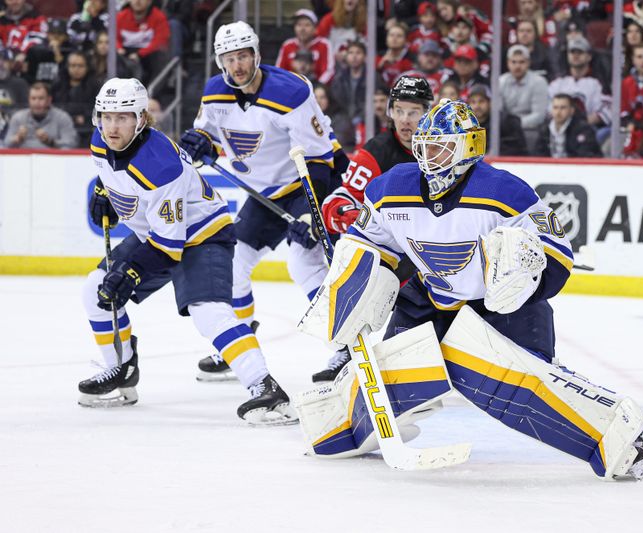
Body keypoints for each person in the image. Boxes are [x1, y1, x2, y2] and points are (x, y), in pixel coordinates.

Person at [297, 99, 643, 480]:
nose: (428, 158)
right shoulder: (391, 188)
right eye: (423, 147)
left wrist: (524, 273)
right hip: (430, 301)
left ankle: (618, 437)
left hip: (502, 309)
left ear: (467, 148)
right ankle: (340, 428)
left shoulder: (505, 192)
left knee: (521, 385)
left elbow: (558, 253)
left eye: (440, 148)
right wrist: (353, 285)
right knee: (391, 375)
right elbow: (369, 241)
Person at [79, 77, 296, 425]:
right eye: (106, 117)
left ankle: (265, 389)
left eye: (122, 118)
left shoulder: (160, 166)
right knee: (95, 288)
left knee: (208, 312)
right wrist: (104, 193)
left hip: (203, 234)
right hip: (156, 234)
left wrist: (132, 271)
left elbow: (169, 246)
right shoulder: (100, 142)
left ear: (141, 119)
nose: (111, 126)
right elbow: (113, 177)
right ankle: (119, 369)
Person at [177, 22, 344, 383]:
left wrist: (313, 213)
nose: (237, 65)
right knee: (234, 262)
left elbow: (318, 159)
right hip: (264, 194)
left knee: (304, 264)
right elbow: (208, 132)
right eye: (229, 58)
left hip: (305, 184)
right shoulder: (214, 92)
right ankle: (241, 342)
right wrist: (200, 141)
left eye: (243, 56)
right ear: (220, 61)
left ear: (257, 55)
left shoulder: (290, 91)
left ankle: (344, 347)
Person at [316, 75, 434, 381]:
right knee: (369, 276)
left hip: (436, 249)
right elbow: (340, 199)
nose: (406, 120)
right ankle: (350, 345)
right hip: (396, 252)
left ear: (428, 113)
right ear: (390, 112)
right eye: (400, 111)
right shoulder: (377, 151)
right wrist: (341, 211)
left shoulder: (442, 147)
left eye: (415, 112)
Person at [498, 44, 547, 152]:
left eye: (522, 62)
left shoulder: (539, 82)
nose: (517, 66)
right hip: (507, 130)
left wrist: (515, 125)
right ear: (508, 63)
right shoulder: (501, 81)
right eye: (514, 62)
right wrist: (509, 126)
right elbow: (499, 111)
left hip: (530, 130)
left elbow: (539, 116)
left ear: (528, 63)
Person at [4, 81, 78, 148]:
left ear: (49, 100)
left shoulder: (62, 117)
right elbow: (5, 145)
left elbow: (71, 144)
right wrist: (17, 138)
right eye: (33, 98)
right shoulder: (18, 117)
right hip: (24, 161)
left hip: (53, 160)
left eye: (41, 98)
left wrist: (50, 142)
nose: (37, 102)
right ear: (28, 100)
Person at [115, 0, 170, 86]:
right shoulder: (121, 16)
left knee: (160, 56)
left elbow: (160, 41)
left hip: (148, 55)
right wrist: (119, 48)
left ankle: (152, 95)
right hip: (125, 52)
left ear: (149, 1)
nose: (137, 1)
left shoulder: (159, 16)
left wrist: (139, 54)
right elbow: (114, 37)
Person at [275, 9, 335, 85]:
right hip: (291, 88)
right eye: (299, 25)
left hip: (317, 90)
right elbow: (279, 71)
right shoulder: (287, 45)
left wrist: (316, 87)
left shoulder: (324, 44)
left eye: (307, 25)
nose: (302, 29)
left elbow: (329, 71)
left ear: (315, 28)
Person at [532, 94, 602, 158]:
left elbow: (586, 156)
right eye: (555, 108)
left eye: (563, 108)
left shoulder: (583, 129)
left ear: (571, 110)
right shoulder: (545, 129)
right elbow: (538, 154)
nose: (558, 112)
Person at [468, 84, 528, 155]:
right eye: (473, 102)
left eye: (481, 101)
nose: (477, 106)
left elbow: (516, 150)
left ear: (490, 103)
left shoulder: (507, 121)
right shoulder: (466, 125)